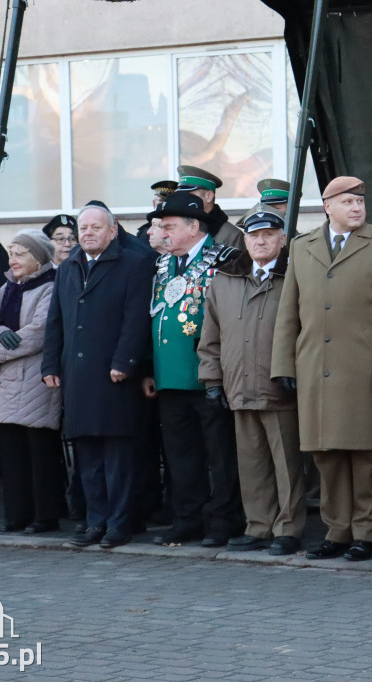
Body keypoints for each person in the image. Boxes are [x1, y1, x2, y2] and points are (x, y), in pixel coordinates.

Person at [272, 176, 372, 561]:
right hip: (314, 367)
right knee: (325, 455)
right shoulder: (302, 247)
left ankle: (366, 533)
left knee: (366, 456)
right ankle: (337, 532)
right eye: (347, 202)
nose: (356, 208)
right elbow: (288, 314)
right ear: (327, 206)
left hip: (362, 369)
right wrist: (284, 365)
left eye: (360, 202)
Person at [42, 204, 155, 549]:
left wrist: (126, 362)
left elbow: (136, 319)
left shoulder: (134, 264)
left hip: (114, 375)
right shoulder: (68, 267)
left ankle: (119, 525)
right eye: (83, 228)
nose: (87, 233)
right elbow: (56, 319)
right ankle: (96, 522)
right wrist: (50, 365)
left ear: (112, 230)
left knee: (117, 458)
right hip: (77, 375)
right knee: (87, 458)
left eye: (95, 227)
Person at [198, 208, 305, 555]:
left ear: (282, 239)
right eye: (254, 236)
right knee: (251, 463)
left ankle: (288, 528)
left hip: (280, 387)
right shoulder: (226, 279)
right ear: (244, 240)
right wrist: (212, 380)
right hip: (238, 385)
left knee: (287, 464)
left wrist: (294, 372)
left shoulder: (294, 276)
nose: (261, 241)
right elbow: (210, 336)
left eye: (269, 235)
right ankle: (258, 526)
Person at [142, 192, 243, 548]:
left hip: (209, 376)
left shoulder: (225, 259)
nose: (162, 233)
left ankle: (224, 520)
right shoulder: (164, 265)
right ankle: (188, 518)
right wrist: (150, 370)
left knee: (220, 454)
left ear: (193, 226)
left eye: (168, 227)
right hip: (171, 376)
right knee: (181, 456)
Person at [0, 229, 64, 534]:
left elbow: (38, 331)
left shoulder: (51, 285)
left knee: (38, 453)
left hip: (33, 380)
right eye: (11, 253)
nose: (12, 259)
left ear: (38, 257)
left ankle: (45, 516)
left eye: (20, 253)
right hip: (4, 385)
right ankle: (16, 515)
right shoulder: (8, 286)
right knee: (11, 454)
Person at [176, 165, 245, 248]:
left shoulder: (231, 235)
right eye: (182, 195)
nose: (185, 199)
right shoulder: (179, 228)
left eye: (191, 195)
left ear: (209, 196)